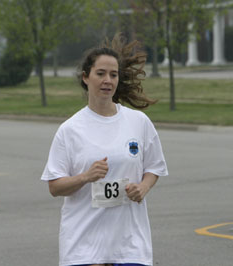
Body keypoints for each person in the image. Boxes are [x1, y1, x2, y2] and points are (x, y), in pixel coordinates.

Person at [41, 33, 168, 266]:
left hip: (130, 244)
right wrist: (85, 177)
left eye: (113, 74)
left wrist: (143, 187)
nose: (107, 80)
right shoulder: (69, 130)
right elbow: (55, 186)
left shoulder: (138, 122)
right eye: (100, 74)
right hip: (84, 245)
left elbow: (154, 166)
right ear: (85, 77)